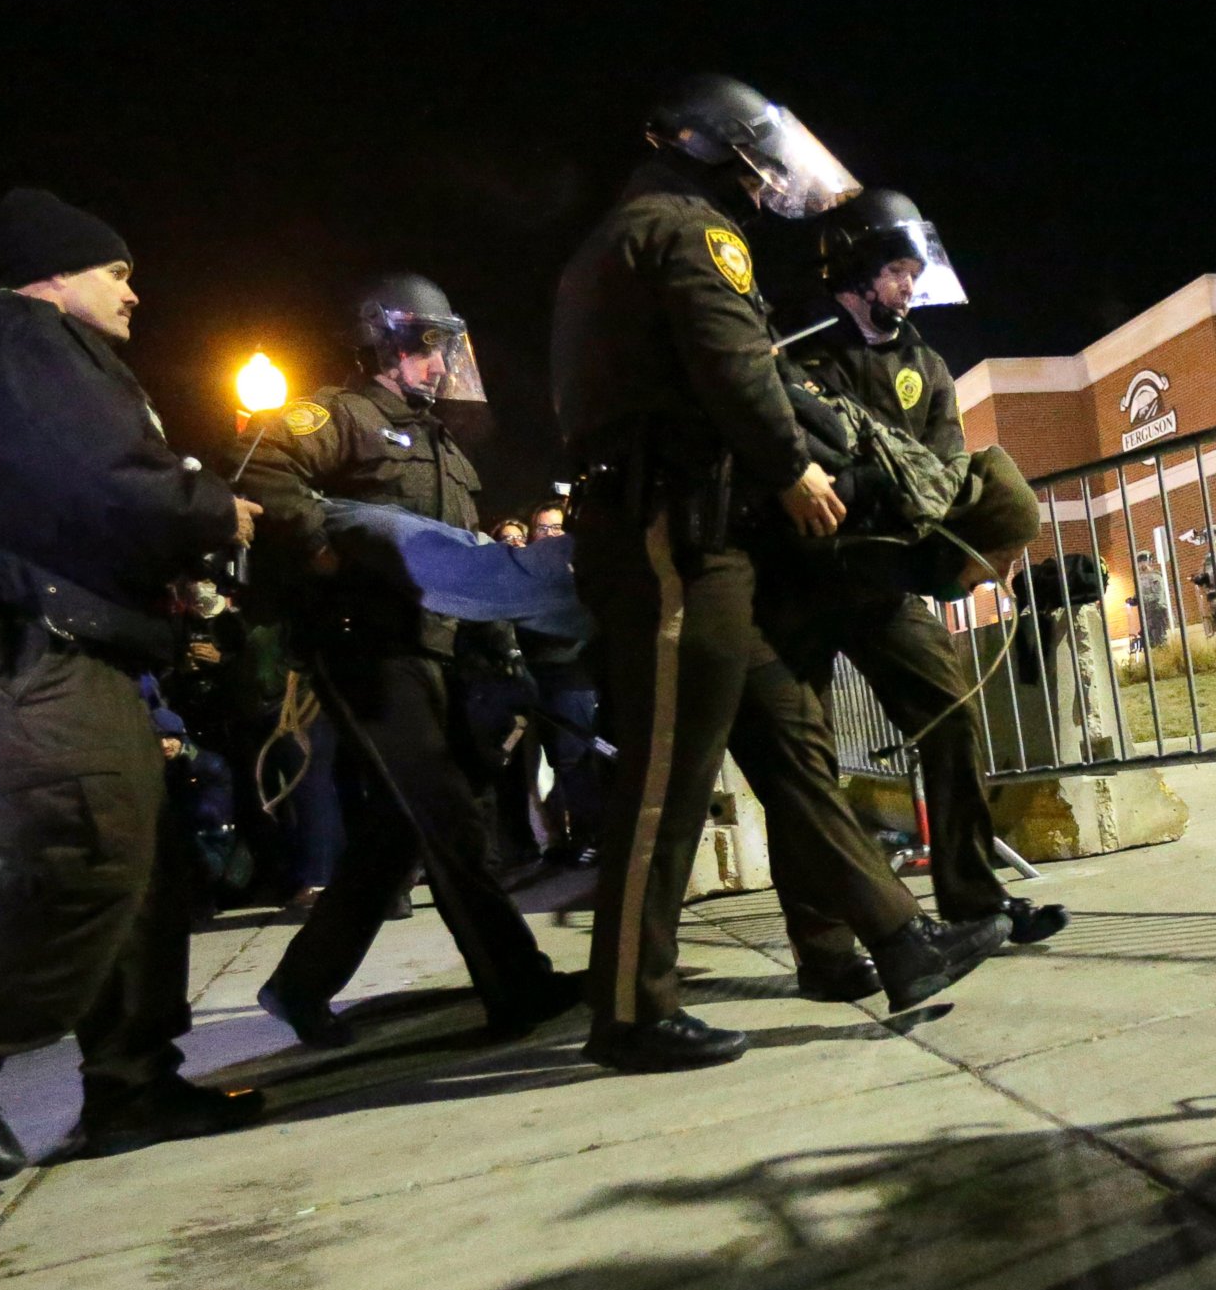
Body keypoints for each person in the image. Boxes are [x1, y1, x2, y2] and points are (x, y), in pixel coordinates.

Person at [552, 73, 1010, 1072]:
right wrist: (794, 465)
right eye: (758, 156)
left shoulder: (636, 231)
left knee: (792, 744)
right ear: (717, 148)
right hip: (674, 534)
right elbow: (731, 364)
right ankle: (630, 1009)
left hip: (697, 539)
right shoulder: (686, 232)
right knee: (666, 779)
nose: (770, 179)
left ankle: (901, 940)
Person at [0, 187, 263, 1183]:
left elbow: (62, 499)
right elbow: (102, 476)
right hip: (11, 648)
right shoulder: (11, 331)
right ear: (53, 271)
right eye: (117, 271)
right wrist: (217, 512)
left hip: (58, 642)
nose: (135, 293)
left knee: (144, 863)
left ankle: (131, 1087)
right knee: (83, 853)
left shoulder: (28, 350)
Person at [234, 273, 581, 1048]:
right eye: (430, 347)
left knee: (400, 832)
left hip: (436, 651)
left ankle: (299, 984)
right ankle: (516, 985)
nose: (441, 363)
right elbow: (257, 471)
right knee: (452, 820)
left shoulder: (442, 445)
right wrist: (322, 546)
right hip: (369, 647)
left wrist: (498, 657)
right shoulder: (338, 415)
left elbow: (462, 565)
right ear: (384, 341)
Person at [758, 188, 1067, 1001]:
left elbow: (937, 473)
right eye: (896, 270)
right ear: (856, 271)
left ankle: (973, 898)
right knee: (805, 765)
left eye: (910, 271)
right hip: (793, 581)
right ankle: (824, 951)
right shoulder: (790, 348)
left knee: (951, 716)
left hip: (882, 578)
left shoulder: (923, 364)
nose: (907, 286)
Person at [519, 497, 602, 866]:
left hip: (572, 679)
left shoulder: (580, 571)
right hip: (531, 680)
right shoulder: (524, 573)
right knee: (542, 769)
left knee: (575, 762)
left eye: (557, 527)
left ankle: (590, 838)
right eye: (543, 528)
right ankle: (557, 840)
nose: (550, 534)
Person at [1129, 551, 1172, 650]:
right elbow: (1138, 595)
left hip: (1157, 611)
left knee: (1160, 639)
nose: (1142, 564)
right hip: (1146, 614)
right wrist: (1133, 600)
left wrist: (1140, 599)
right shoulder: (1138, 579)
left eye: (1144, 560)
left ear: (1149, 561)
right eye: (1140, 561)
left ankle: (1164, 659)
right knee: (1150, 642)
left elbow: (1157, 595)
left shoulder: (1156, 576)